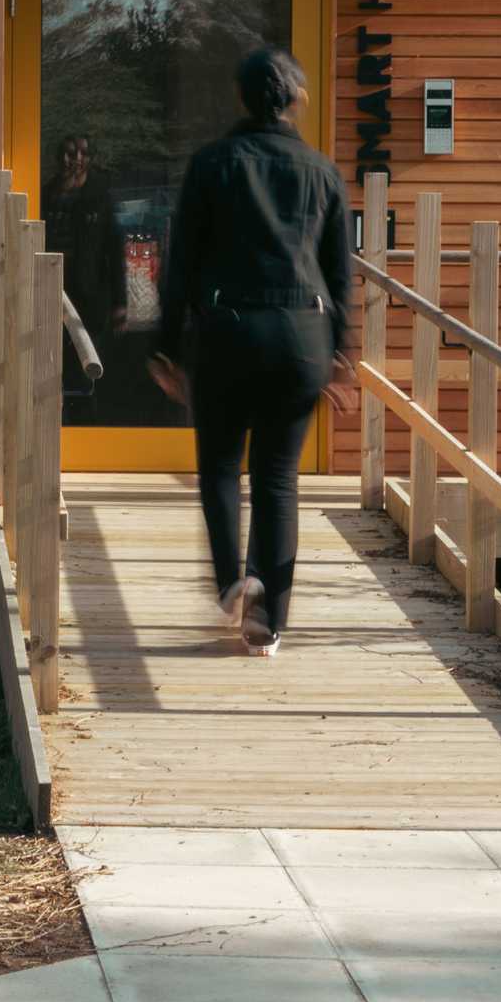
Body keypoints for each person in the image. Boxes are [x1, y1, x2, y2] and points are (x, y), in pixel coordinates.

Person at [148, 47, 357, 657]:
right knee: (278, 478)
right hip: (302, 339)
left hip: (227, 334)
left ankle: (231, 581)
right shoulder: (322, 172)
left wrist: (167, 347)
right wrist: (341, 355)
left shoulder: (213, 164)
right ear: (293, 100)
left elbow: (180, 264)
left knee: (219, 466)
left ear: (242, 98)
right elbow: (340, 275)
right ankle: (268, 623)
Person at [41, 133, 124, 399]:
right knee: (51, 360)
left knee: (88, 361)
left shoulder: (99, 196)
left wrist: (120, 303)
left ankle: (88, 420)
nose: (74, 160)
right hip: (50, 288)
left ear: (89, 159)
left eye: (81, 154)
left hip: (90, 295)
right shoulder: (46, 193)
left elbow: (115, 248)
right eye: (68, 153)